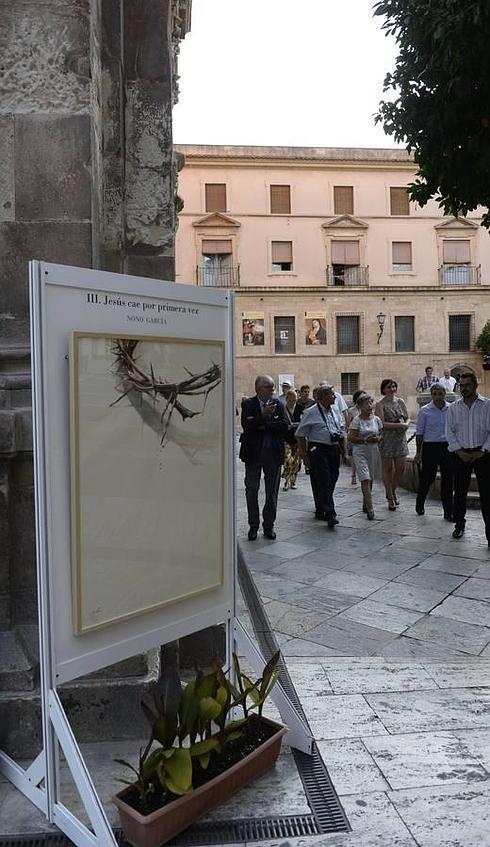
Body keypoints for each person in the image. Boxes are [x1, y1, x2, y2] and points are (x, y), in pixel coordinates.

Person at [239, 375, 289, 541]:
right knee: (251, 490)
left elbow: (284, 426)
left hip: (273, 455)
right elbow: (247, 426)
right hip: (253, 455)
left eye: (273, 387)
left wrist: (262, 424)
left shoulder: (279, 405)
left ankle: (269, 525)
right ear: (259, 389)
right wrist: (263, 415)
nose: (272, 391)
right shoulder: (248, 404)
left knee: (272, 492)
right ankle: (253, 525)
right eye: (269, 387)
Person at [446, 372, 490, 544]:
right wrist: (459, 451)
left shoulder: (487, 405)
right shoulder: (453, 408)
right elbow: (449, 432)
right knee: (459, 492)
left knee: (487, 494)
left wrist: (483, 450)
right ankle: (459, 525)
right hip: (460, 455)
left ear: (475, 386)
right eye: (461, 386)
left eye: (467, 385)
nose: (463, 388)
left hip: (483, 455)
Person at [295, 384, 346, 528]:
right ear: (322, 397)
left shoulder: (335, 410)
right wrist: (304, 455)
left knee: (332, 478)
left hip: (333, 447)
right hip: (318, 448)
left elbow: (341, 430)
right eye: (331, 394)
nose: (334, 397)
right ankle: (330, 513)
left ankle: (321, 507)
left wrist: (345, 451)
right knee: (323, 478)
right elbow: (300, 434)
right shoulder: (310, 412)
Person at [414, 383, 454, 519]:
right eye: (435, 394)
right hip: (430, 447)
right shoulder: (425, 410)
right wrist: (418, 452)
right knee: (427, 477)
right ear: (432, 395)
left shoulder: (451, 409)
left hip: (447, 447)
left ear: (444, 394)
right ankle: (420, 503)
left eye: (440, 394)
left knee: (448, 479)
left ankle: (448, 511)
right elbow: (419, 433)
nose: (438, 397)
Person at [375, 379, 409, 510]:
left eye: (394, 386)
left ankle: (392, 490)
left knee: (400, 467)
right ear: (383, 389)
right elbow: (381, 423)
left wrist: (405, 424)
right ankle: (390, 497)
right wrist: (399, 425)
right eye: (389, 387)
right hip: (387, 439)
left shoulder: (400, 401)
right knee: (388, 469)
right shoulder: (380, 404)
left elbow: (407, 417)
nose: (392, 389)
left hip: (400, 438)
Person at [348, 394, 383, 520]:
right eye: (366, 403)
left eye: (370, 403)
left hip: (373, 451)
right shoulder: (357, 420)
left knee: (371, 477)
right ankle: (371, 508)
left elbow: (381, 434)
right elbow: (351, 438)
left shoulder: (376, 420)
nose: (369, 406)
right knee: (365, 478)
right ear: (360, 407)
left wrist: (377, 438)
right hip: (360, 451)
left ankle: (365, 502)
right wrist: (365, 439)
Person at [282, 389, 302, 490]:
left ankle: (293, 481)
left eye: (294, 400)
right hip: (286, 438)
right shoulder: (282, 409)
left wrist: (298, 424)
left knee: (296, 461)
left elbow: (304, 422)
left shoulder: (300, 408)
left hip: (298, 439)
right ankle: (286, 480)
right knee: (288, 459)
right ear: (286, 399)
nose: (292, 402)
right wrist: (286, 426)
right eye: (290, 400)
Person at [346, 389, 364, 485]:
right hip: (354, 436)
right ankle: (353, 474)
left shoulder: (366, 409)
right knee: (353, 456)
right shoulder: (351, 410)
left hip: (364, 437)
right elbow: (348, 424)